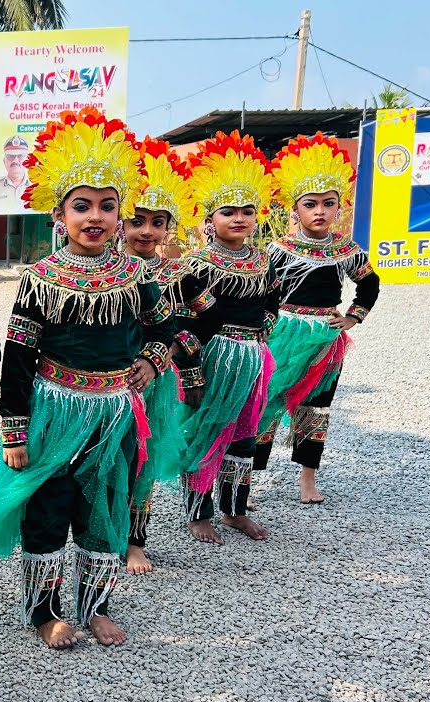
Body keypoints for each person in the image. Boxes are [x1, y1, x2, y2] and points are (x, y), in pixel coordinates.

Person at [0, 108, 174, 649]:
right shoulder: (41, 278)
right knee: (48, 508)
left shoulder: (136, 275)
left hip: (113, 415)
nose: (95, 217)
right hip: (52, 411)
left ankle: (97, 604)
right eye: (81, 206)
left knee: (104, 506)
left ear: (120, 215)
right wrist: (14, 432)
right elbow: (18, 356)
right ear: (59, 215)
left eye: (107, 207)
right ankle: (45, 612)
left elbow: (168, 329)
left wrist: (153, 360)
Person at [255, 133, 379, 504]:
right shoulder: (280, 250)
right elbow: (263, 290)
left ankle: (307, 479)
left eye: (328, 204)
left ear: (340, 209)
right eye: (311, 204)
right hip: (283, 331)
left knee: (316, 406)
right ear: (296, 210)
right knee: (267, 404)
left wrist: (353, 318)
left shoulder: (345, 250)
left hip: (326, 335)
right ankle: (249, 480)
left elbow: (370, 283)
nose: (320, 211)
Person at [173, 131, 280, 545]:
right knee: (207, 429)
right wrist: (193, 369)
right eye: (228, 211)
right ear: (209, 220)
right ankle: (197, 513)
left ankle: (235, 509)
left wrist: (263, 332)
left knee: (244, 434)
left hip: (254, 356)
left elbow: (272, 298)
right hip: (215, 356)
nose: (239, 218)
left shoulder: (262, 260)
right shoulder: (196, 263)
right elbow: (184, 322)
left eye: (247, 211)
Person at [120, 137, 197, 575]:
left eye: (157, 222)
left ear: (169, 226)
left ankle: (135, 541)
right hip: (106, 380)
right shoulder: (101, 267)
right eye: (137, 220)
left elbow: (196, 321)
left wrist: (162, 358)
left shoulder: (177, 273)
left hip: (156, 379)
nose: (146, 231)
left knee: (143, 461)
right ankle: (98, 536)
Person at [0, 135, 31, 206]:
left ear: (28, 160)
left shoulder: (38, 186)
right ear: (4, 161)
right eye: (10, 156)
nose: (15, 161)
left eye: (20, 156)